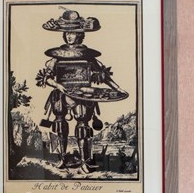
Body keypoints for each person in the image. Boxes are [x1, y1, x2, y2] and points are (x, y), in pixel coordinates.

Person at [36, 9, 126, 170]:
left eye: (74, 33)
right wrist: (58, 85)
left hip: (83, 96)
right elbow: (45, 77)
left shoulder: (88, 55)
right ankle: (63, 159)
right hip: (61, 96)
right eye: (67, 32)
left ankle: (84, 163)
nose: (70, 36)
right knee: (60, 127)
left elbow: (103, 76)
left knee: (83, 127)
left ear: (80, 34)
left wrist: (119, 88)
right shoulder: (57, 55)